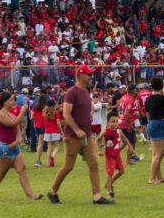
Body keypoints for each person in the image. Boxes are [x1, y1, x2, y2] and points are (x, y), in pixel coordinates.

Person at [47, 65, 113, 205]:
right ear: (80, 75)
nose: (91, 77)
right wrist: (76, 129)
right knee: (68, 166)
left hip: (86, 135)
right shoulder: (72, 92)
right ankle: (52, 191)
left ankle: (96, 196)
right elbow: (66, 113)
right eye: (88, 75)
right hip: (73, 136)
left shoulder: (85, 92)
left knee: (93, 164)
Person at [0, 91, 42, 202]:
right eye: (10, 100)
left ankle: (30, 195)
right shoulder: (0, 114)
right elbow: (13, 123)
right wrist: (23, 110)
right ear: (4, 102)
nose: (13, 101)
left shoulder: (11, 113)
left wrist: (17, 140)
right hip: (4, 147)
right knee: (1, 173)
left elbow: (17, 128)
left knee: (22, 169)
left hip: (13, 146)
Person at [97, 111, 132, 198]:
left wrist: (130, 146)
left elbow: (125, 139)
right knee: (110, 173)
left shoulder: (119, 131)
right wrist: (99, 150)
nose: (115, 123)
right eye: (113, 121)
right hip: (110, 156)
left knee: (121, 171)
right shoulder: (106, 132)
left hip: (117, 155)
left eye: (116, 121)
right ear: (108, 122)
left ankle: (108, 184)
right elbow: (97, 139)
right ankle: (109, 191)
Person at [145, 77, 164, 184]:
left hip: (151, 124)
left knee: (156, 153)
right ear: (161, 86)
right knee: (160, 154)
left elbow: (147, 114)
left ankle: (159, 177)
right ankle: (152, 178)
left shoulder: (148, 99)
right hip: (159, 125)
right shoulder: (162, 98)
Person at [42, 99, 63, 167]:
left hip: (47, 131)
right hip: (55, 131)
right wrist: (61, 131)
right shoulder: (56, 112)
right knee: (56, 146)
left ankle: (48, 162)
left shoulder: (44, 112)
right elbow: (58, 123)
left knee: (49, 147)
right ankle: (52, 157)